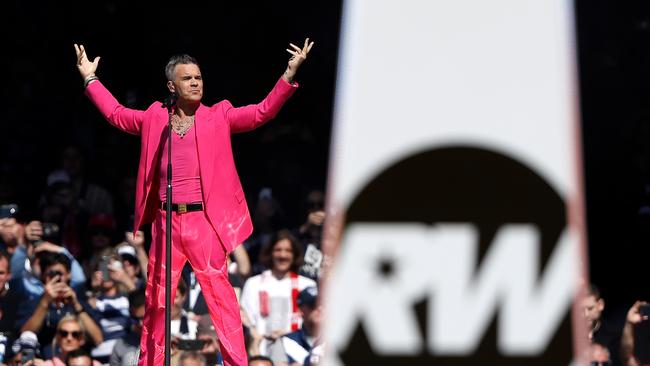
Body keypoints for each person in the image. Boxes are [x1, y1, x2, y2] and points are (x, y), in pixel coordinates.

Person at [74, 37, 313, 366]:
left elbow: (261, 113)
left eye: (199, 77)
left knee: (222, 302)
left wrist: (288, 75)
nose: (196, 82)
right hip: (166, 222)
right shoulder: (155, 119)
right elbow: (116, 114)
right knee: (157, 301)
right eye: (188, 78)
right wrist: (90, 78)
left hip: (204, 222)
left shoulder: (219, 115)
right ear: (171, 85)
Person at [240, 230, 317, 358]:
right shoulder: (254, 284)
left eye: (288, 251)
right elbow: (247, 319)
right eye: (278, 250)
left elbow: (314, 322)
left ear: (294, 254)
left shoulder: (307, 286)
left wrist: (288, 333)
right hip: (261, 352)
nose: (282, 255)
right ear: (270, 253)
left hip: (296, 353)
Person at [279, 287, 322, 366]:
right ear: (300, 311)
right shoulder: (284, 342)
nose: (320, 308)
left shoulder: (335, 340)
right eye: (313, 305)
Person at [109, 288, 145, 366]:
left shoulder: (168, 342)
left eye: (144, 318)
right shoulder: (120, 345)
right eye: (136, 319)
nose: (140, 323)